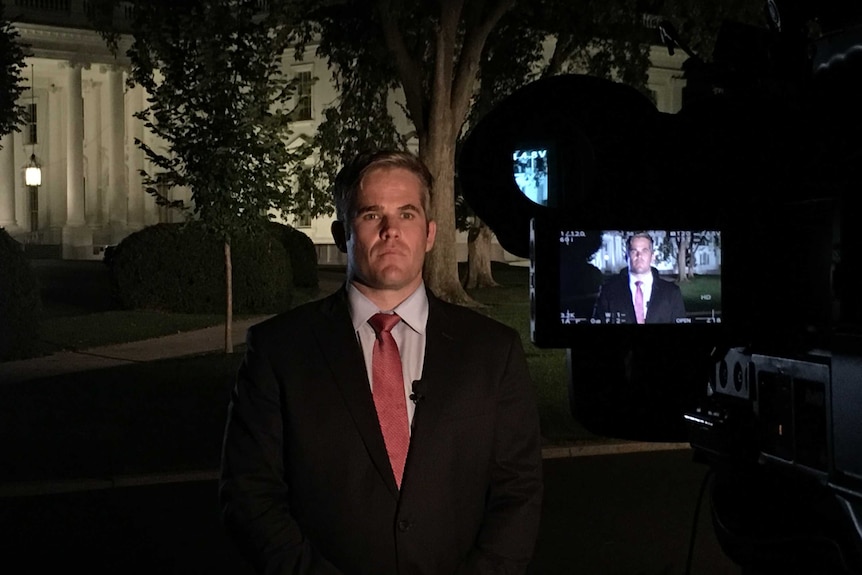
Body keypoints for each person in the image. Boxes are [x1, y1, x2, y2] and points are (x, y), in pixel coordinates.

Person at [219, 150, 543, 574]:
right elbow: (249, 495)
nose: (391, 231)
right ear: (342, 233)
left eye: (407, 214)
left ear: (429, 234)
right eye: (372, 214)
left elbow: (518, 492)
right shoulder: (279, 350)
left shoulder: (492, 351)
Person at [591, 232, 686, 324]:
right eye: (634, 251)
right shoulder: (609, 291)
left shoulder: (672, 292)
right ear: (627, 256)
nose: (639, 256)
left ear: (652, 256)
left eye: (644, 251)